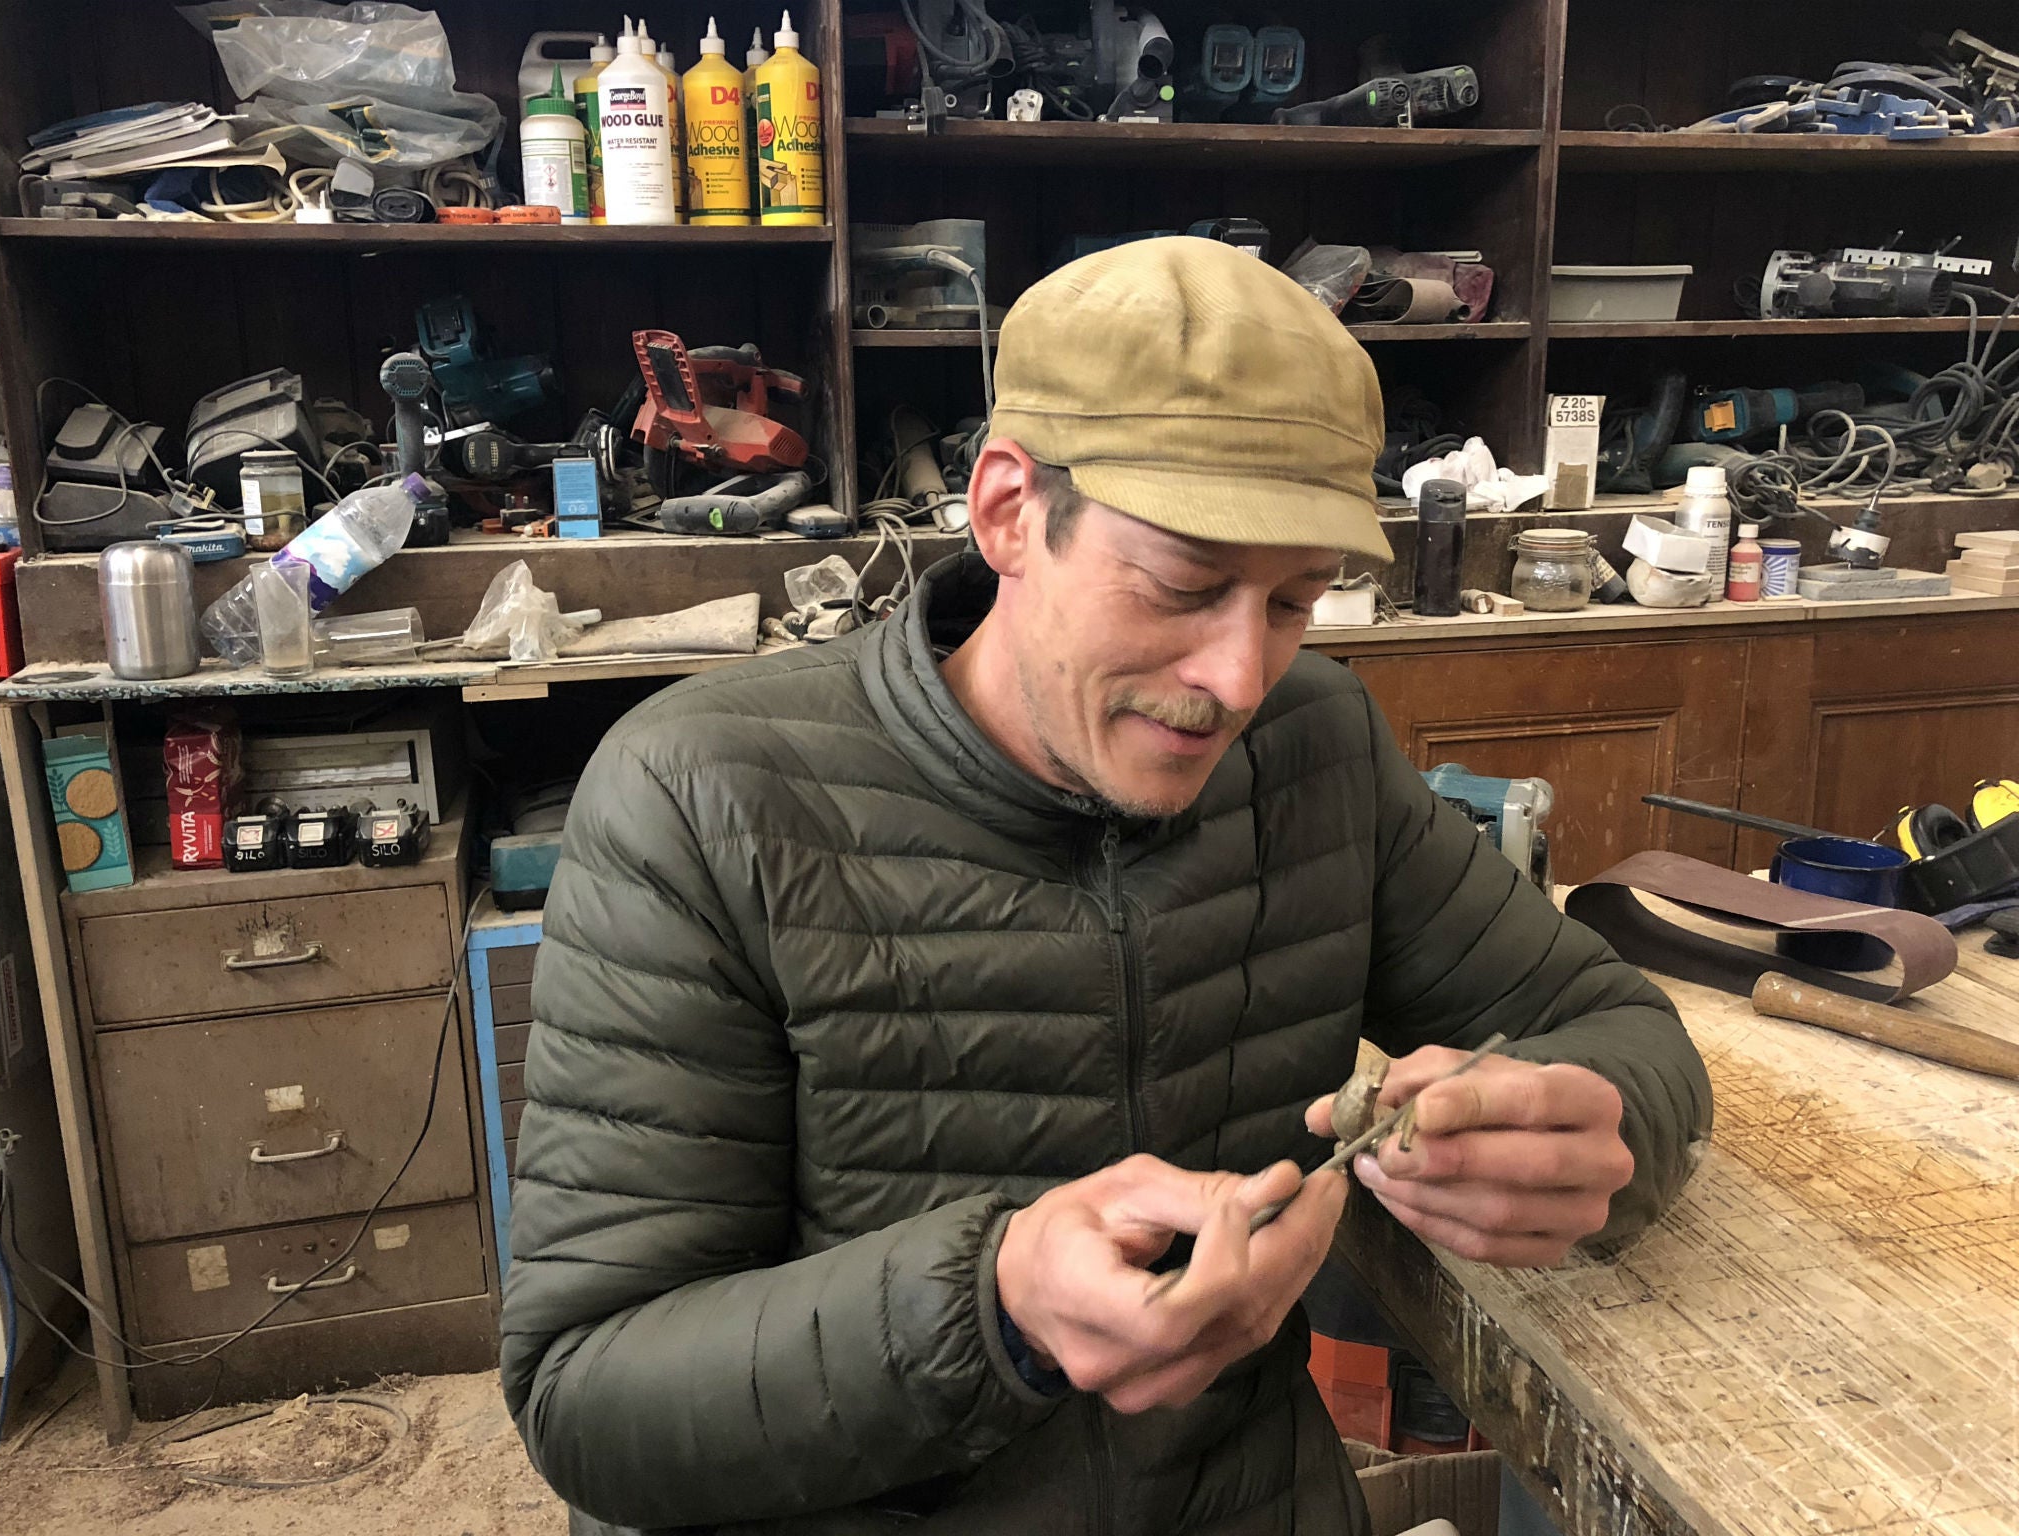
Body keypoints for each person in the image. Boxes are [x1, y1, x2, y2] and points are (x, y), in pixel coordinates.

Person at [501, 237, 1713, 1536]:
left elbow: (1627, 1034)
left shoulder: (1317, 749)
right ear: (1010, 510)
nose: (1242, 680)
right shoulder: (706, 796)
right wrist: (995, 1307)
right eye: (1185, 586)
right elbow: (589, 1394)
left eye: (1298, 601)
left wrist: (1596, 1133)